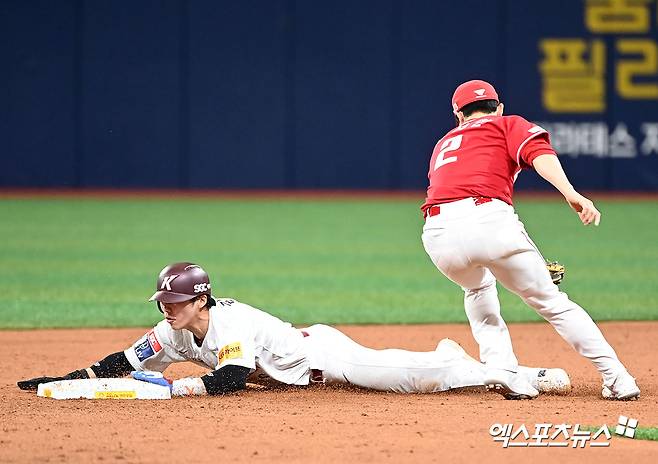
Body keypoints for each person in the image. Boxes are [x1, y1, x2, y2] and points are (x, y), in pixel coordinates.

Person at [18, 262, 570, 397]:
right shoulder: (173, 331)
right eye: (163, 301)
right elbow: (123, 363)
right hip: (300, 359)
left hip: (322, 354)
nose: (166, 309)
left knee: (404, 377)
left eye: (175, 301)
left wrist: (173, 387)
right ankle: (471, 363)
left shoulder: (227, 321)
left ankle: (511, 374)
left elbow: (232, 377)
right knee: (401, 369)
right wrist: (65, 380)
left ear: (199, 299)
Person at [420, 79, 640, 400]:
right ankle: (618, 379)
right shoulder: (507, 123)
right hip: (488, 218)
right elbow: (539, 153)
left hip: (437, 233)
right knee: (551, 302)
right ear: (499, 107)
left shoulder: (443, 143)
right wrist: (571, 193)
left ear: (458, 115)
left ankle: (501, 367)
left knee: (477, 287)